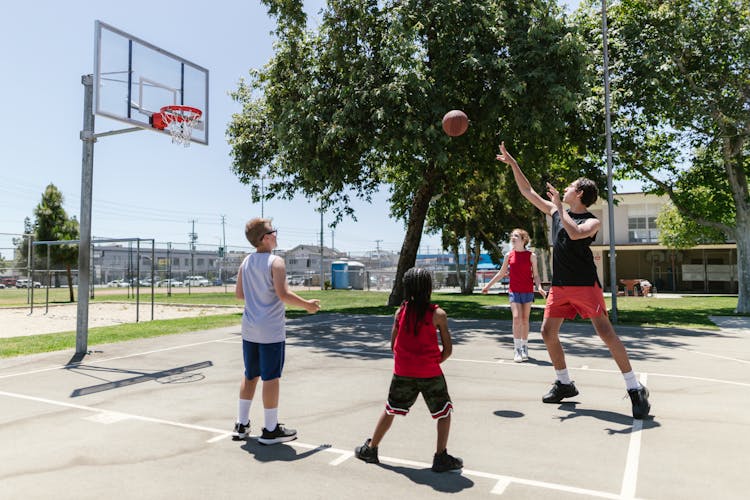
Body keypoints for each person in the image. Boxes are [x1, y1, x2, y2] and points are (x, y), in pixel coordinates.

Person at [496, 142, 651, 419]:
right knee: (547, 332)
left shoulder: (592, 221)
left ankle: (635, 389)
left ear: (578, 193)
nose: (563, 190)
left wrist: (558, 207)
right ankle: (564, 383)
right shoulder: (557, 211)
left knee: (605, 333)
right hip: (560, 286)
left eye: (569, 187)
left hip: (584, 285)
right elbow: (527, 191)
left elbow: (576, 233)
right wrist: (514, 164)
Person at [354, 268, 463, 472]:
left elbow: (393, 345)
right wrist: (433, 361)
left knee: (390, 409)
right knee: (444, 412)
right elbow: (448, 349)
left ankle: (371, 449)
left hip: (403, 371)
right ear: (429, 288)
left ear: (407, 288)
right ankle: (440, 457)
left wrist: (408, 362)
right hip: (430, 372)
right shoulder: (438, 314)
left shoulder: (400, 311)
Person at [232, 218, 321, 444]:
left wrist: (257, 295)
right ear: (265, 237)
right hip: (270, 330)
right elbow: (283, 294)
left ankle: (241, 424)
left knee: (250, 374)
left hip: (249, 327)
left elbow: (240, 294)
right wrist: (307, 305)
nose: (276, 234)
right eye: (273, 231)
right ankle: (270, 429)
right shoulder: (276, 262)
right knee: (271, 377)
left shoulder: (246, 262)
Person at [481, 228, 547, 362]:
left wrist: (539, 287)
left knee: (524, 320)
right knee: (516, 318)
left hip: (527, 291)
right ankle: (517, 349)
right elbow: (501, 273)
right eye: (512, 236)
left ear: (523, 239)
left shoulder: (531, 256)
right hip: (514, 291)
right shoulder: (508, 255)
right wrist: (487, 286)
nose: (513, 238)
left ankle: (524, 347)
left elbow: (536, 275)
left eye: (516, 236)